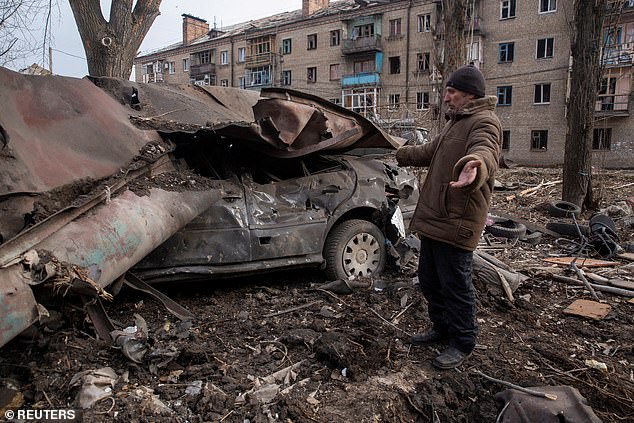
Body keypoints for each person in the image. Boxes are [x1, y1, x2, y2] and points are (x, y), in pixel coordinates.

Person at [395, 64, 501, 369]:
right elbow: (428, 151)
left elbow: (486, 151)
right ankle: (441, 329)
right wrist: (395, 149)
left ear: (469, 94)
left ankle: (463, 341)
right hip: (437, 217)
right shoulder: (456, 123)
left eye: (451, 91)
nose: (446, 97)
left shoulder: (484, 122)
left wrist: (475, 165)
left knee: (456, 285)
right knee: (430, 280)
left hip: (457, 219)